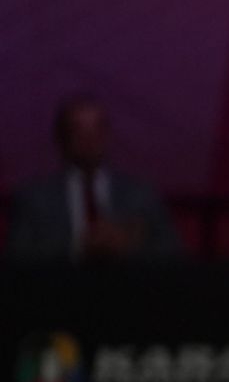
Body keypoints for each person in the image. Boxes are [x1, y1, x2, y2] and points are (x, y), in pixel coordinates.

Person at [6, 95, 184, 262]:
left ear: (107, 135)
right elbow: (17, 257)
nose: (89, 139)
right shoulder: (34, 198)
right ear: (60, 137)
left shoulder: (140, 194)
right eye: (78, 130)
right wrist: (77, 247)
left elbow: (174, 253)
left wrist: (127, 245)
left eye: (96, 129)